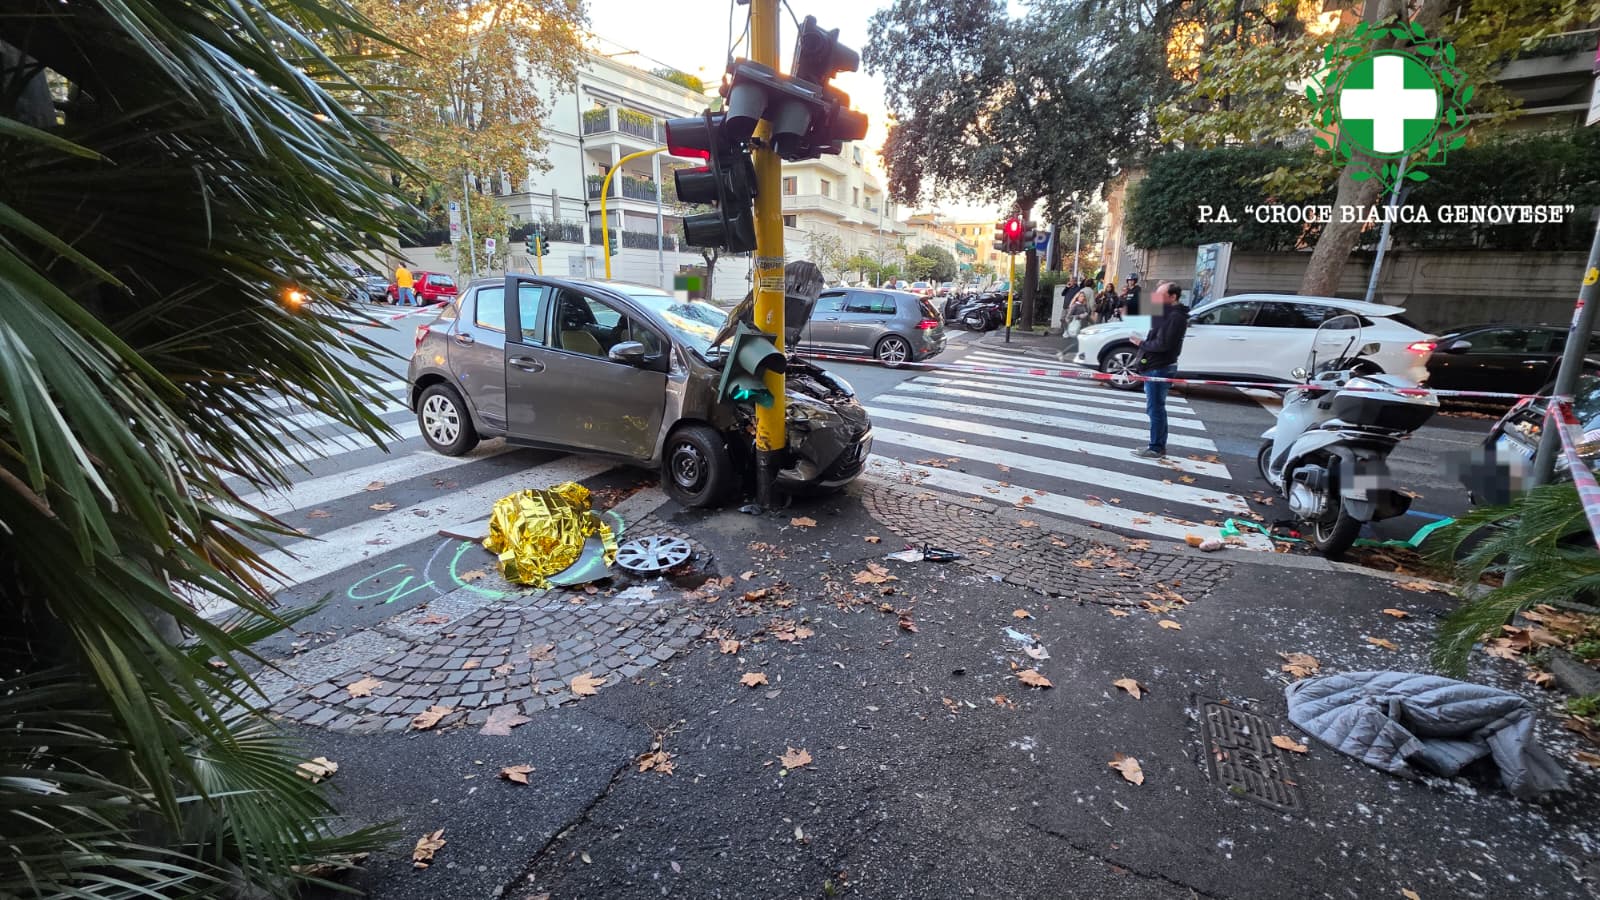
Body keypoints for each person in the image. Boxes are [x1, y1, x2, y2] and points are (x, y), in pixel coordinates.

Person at [1129, 281, 1188, 459]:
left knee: (1155, 409)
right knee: (1155, 408)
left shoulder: (1175, 317)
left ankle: (1156, 447)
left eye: (1160, 295)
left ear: (1172, 297)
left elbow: (1163, 344)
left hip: (1160, 367)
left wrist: (1142, 343)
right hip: (1156, 365)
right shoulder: (1169, 313)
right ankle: (1157, 445)